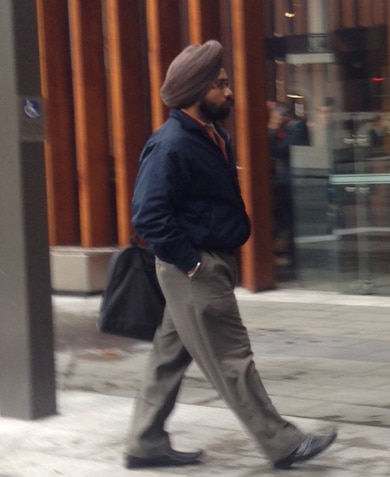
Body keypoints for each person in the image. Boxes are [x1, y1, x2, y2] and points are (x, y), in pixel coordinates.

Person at [125, 40, 336, 471]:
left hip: (203, 262)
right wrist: (191, 263)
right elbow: (148, 215)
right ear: (196, 91)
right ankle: (283, 443)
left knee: (168, 358)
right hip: (195, 268)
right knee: (232, 357)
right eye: (220, 85)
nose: (228, 91)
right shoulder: (170, 145)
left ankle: (144, 443)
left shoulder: (210, 135)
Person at [268, 101, 309, 268]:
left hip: (293, 181)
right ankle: (287, 254)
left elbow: (279, 149)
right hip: (285, 181)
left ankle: (293, 257)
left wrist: (272, 128)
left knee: (291, 221)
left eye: (277, 117)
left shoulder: (297, 127)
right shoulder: (286, 129)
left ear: (286, 116)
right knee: (284, 220)